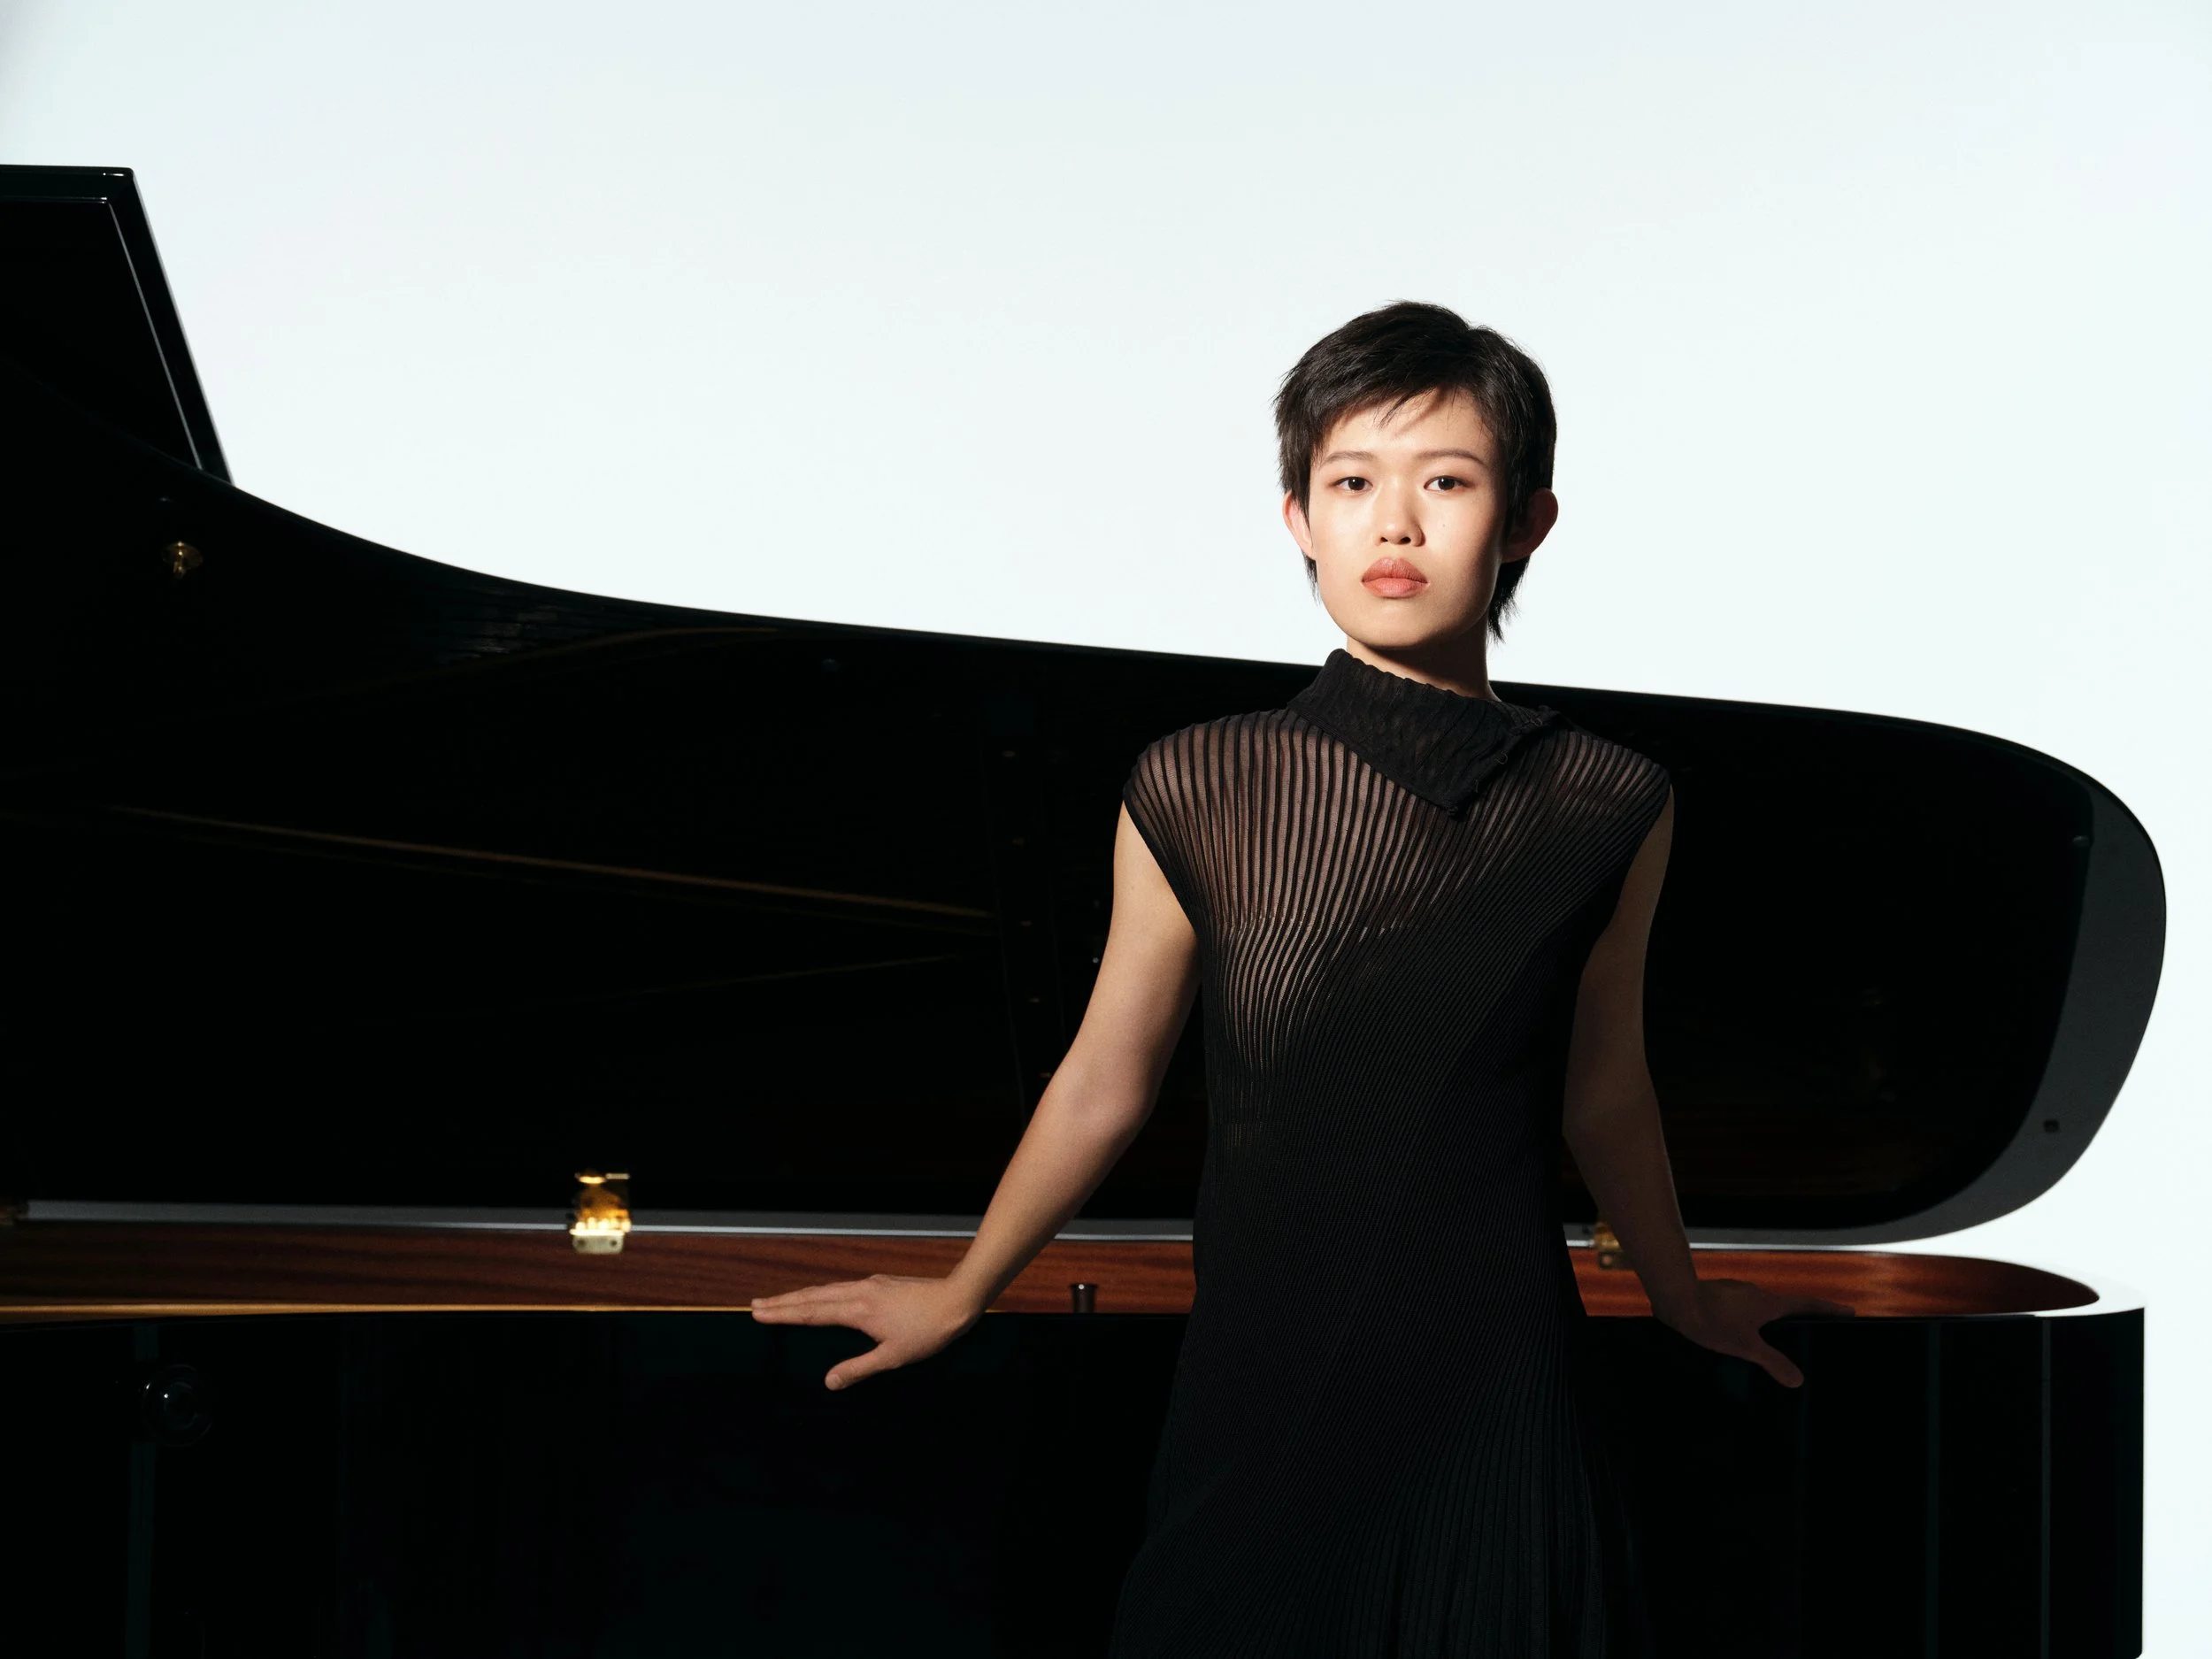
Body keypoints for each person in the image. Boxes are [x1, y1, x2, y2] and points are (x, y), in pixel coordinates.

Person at [750, 301, 1851, 1655]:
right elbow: (1107, 1078)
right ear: (1298, 520)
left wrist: (1680, 1297)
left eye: (1445, 481)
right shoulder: (1195, 780)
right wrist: (966, 1286)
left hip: (1499, 1387)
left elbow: (1606, 1091)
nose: (1395, 523)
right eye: (1353, 483)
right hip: (1261, 1388)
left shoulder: (1611, 797)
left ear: (1527, 523)